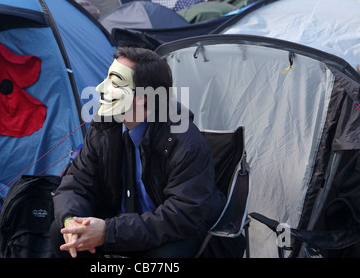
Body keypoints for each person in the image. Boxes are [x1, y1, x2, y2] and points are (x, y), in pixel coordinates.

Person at [50, 47, 227, 258]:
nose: (100, 88)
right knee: (61, 232)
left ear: (143, 97)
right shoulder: (104, 128)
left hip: (171, 230)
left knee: (164, 258)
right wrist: (72, 220)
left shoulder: (185, 143)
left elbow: (181, 216)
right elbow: (76, 183)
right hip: (123, 221)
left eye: (115, 83)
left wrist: (109, 232)